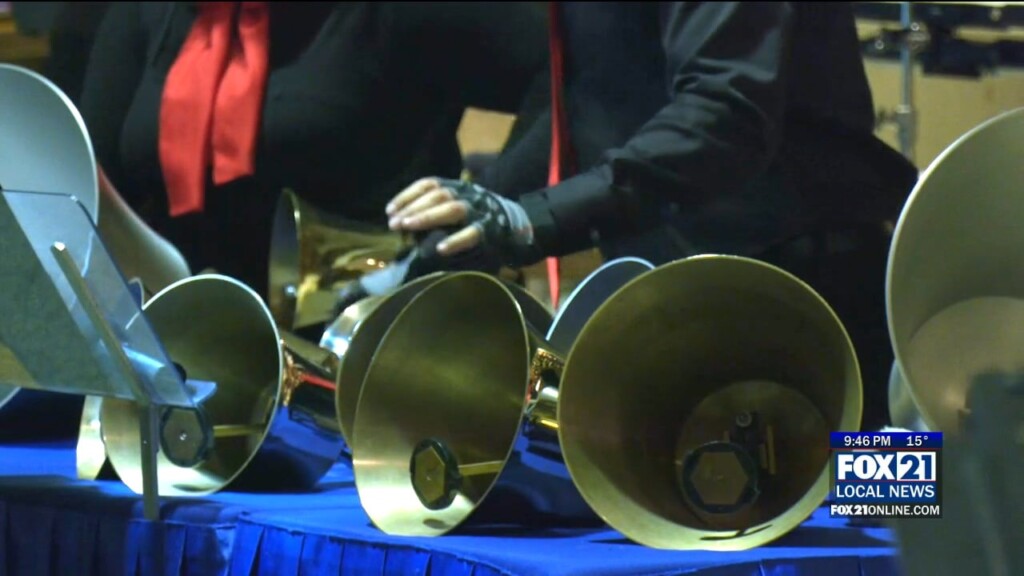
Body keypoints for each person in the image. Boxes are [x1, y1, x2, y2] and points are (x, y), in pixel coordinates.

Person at [383, 2, 919, 432]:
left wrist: (529, 220)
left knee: (890, 515)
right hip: (694, 312)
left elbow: (725, 116)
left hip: (815, 304)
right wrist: (482, 220)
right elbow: (591, 100)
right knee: (691, 533)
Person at [78, 1, 547, 298]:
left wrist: (496, 209)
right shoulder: (154, 10)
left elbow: (562, 74)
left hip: (364, 332)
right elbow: (94, 182)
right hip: (186, 329)